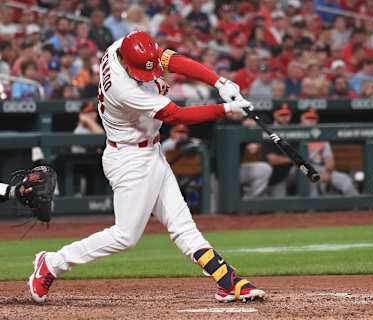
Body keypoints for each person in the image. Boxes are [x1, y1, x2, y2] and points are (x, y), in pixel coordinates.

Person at [28, 31, 265, 304]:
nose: (147, 74)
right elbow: (176, 115)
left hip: (151, 150)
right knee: (126, 235)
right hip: (129, 158)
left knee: (182, 225)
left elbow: (170, 60)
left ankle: (226, 281)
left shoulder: (123, 45)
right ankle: (53, 263)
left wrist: (219, 80)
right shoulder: (123, 88)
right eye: (140, 70)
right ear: (127, 62)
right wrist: (226, 109)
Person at [300, 108, 358, 196]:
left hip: (320, 170)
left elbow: (329, 160)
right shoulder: (294, 133)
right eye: (308, 118)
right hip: (300, 170)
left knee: (345, 179)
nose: (311, 121)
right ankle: (313, 208)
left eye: (313, 118)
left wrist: (327, 172)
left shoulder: (320, 136)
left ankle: (357, 206)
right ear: (302, 119)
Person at [262, 104, 296, 197]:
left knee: (306, 171)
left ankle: (311, 209)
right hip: (273, 176)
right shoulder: (268, 131)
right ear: (275, 115)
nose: (285, 118)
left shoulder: (295, 130)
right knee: (279, 209)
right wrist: (293, 159)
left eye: (287, 115)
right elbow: (272, 159)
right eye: (281, 115)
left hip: (290, 172)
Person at [240, 118, 273, 198]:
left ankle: (247, 202)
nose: (249, 122)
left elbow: (270, 158)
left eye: (251, 120)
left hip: (247, 172)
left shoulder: (261, 133)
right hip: (223, 173)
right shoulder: (228, 125)